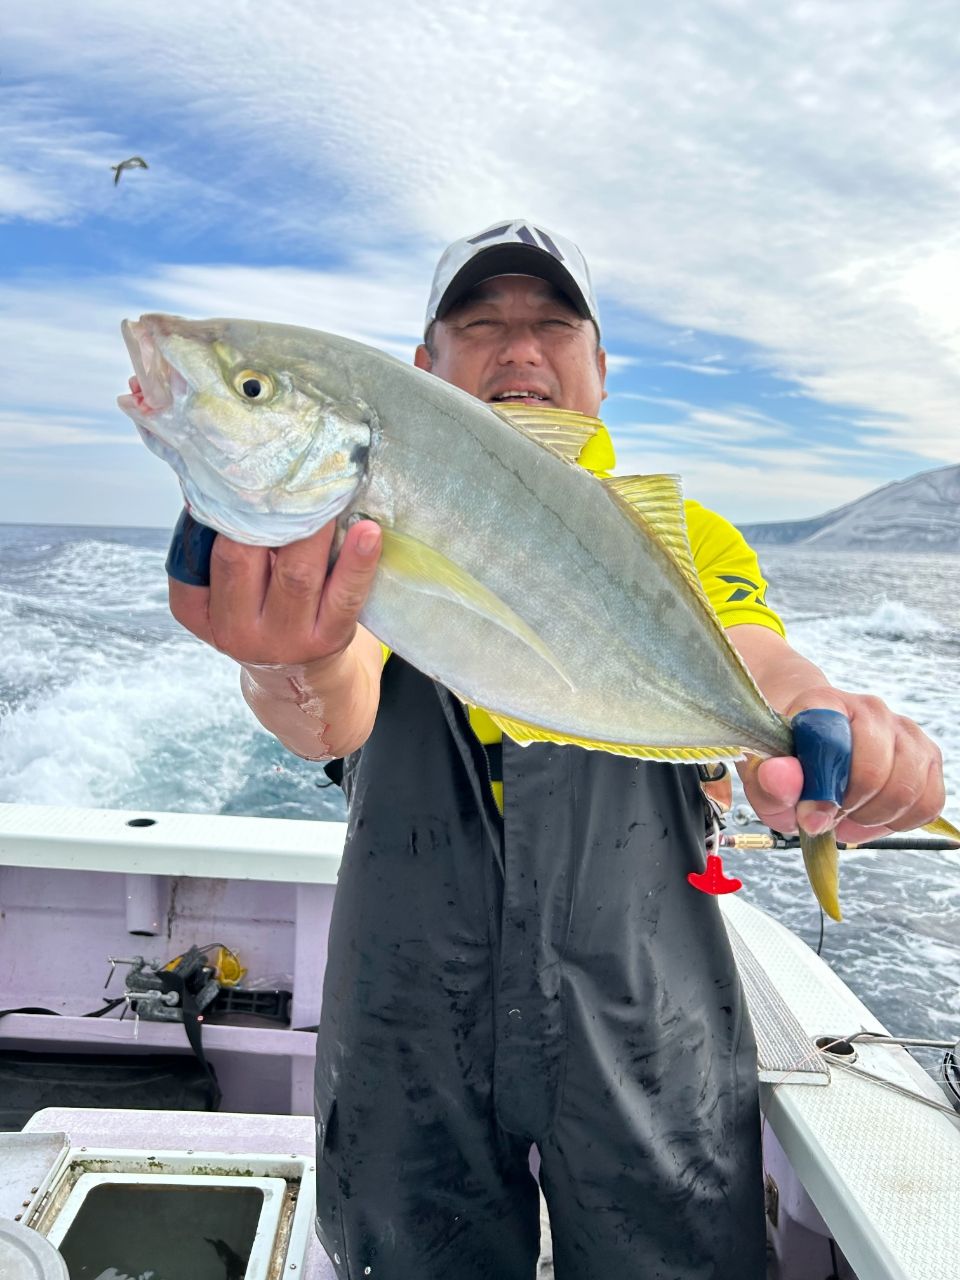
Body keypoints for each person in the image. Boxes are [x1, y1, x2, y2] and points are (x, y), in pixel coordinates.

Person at [169, 220, 946, 1279]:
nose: (519, 349)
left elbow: (756, 655)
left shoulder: (682, 534)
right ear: (421, 371)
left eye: (552, 324)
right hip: (407, 1017)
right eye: (480, 322)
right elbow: (332, 709)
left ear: (600, 369)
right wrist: (283, 662)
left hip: (643, 1005)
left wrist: (827, 718)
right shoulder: (355, 531)